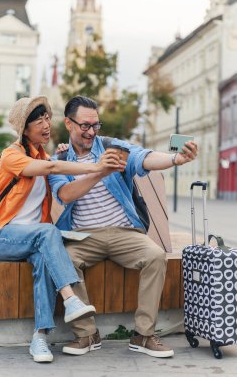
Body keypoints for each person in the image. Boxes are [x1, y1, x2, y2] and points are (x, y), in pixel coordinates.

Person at [48, 95, 198, 359]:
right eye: (85, 126)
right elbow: (66, 194)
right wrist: (100, 171)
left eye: (96, 125)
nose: (91, 132)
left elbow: (144, 158)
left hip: (123, 231)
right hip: (84, 236)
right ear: (69, 124)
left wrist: (175, 160)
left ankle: (143, 334)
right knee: (63, 259)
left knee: (154, 256)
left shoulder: (112, 148)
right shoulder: (59, 159)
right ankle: (86, 334)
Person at [0, 96, 123, 363]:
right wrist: (95, 166)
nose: (46, 124)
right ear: (25, 129)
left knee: (44, 259)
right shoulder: (13, 155)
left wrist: (62, 153)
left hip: (31, 240)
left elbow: (53, 163)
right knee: (47, 233)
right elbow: (50, 167)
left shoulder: (43, 154)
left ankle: (39, 338)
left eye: (48, 118)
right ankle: (71, 299)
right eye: (39, 120)